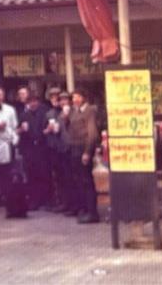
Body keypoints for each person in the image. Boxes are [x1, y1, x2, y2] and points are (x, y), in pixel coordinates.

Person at [66, 89, 100, 223]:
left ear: (84, 97)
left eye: (78, 97)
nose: (75, 100)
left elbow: (92, 133)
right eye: (74, 97)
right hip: (74, 149)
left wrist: (87, 152)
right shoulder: (74, 111)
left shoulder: (89, 111)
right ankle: (84, 209)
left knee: (86, 181)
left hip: (83, 148)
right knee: (79, 180)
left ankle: (92, 212)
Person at [19, 92, 51, 210]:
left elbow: (47, 129)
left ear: (38, 102)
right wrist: (21, 130)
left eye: (34, 101)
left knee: (44, 174)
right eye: (30, 101)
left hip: (42, 148)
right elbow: (18, 131)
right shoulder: (24, 115)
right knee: (31, 175)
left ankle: (47, 200)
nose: (33, 104)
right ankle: (34, 201)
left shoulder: (44, 113)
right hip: (29, 149)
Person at [44, 88, 69, 213]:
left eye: (56, 97)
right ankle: (61, 202)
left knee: (67, 177)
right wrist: (47, 130)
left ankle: (68, 203)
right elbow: (43, 131)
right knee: (57, 177)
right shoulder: (48, 113)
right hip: (53, 148)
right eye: (52, 97)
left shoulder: (65, 111)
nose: (54, 99)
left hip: (65, 148)